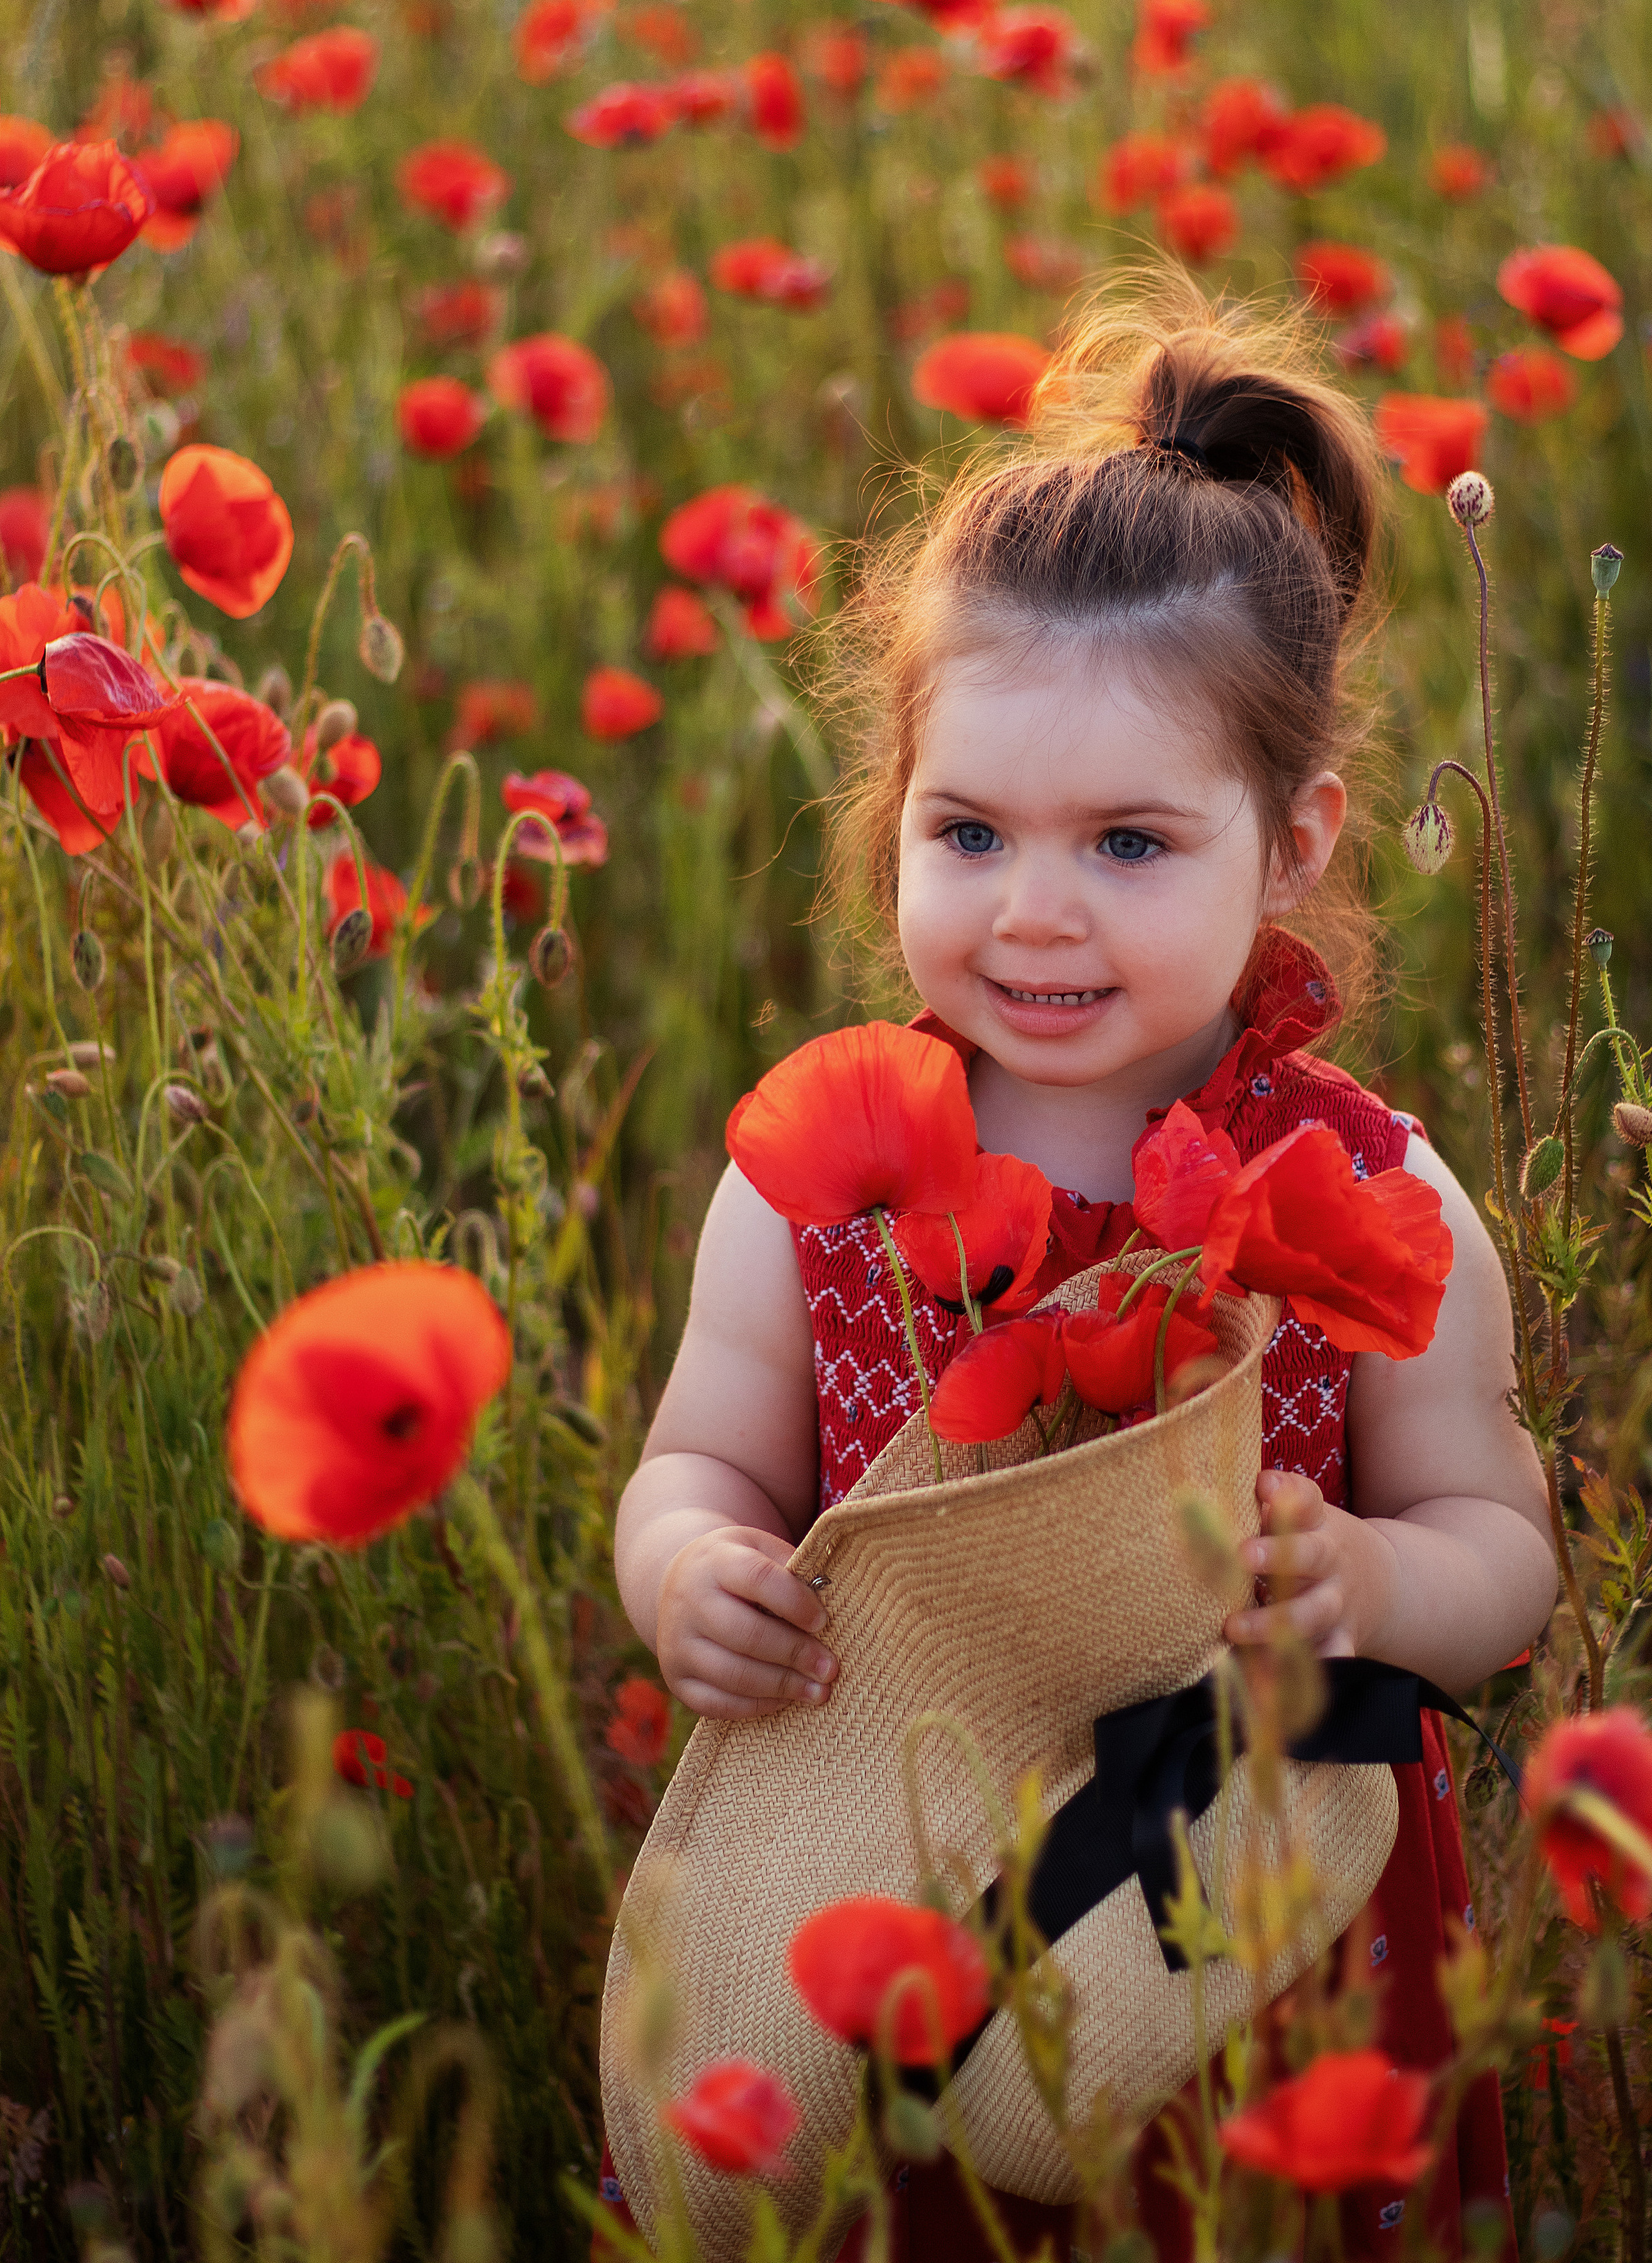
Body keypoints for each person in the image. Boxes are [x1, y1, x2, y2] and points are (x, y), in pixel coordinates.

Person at [613, 273, 1557, 2260]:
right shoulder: (819, 1183)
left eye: (1130, 845)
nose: (1034, 915)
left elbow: (1503, 1549)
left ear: (1290, 844)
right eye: (969, 833)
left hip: (1264, 1927)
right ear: (895, 824)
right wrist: (692, 1575)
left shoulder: (1368, 1194)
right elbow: (699, 1464)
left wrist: (1377, 1583)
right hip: (903, 1854)